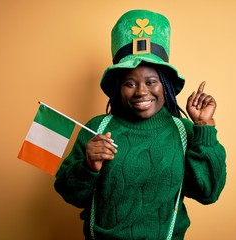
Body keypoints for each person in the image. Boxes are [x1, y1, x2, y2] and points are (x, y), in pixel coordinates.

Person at [54, 9, 226, 240]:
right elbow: (70, 194)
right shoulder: (97, 127)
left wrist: (204, 127)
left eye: (151, 81)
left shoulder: (183, 131)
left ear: (164, 84)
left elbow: (208, 193)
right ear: (118, 87)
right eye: (130, 83)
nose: (141, 91)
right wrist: (88, 165)